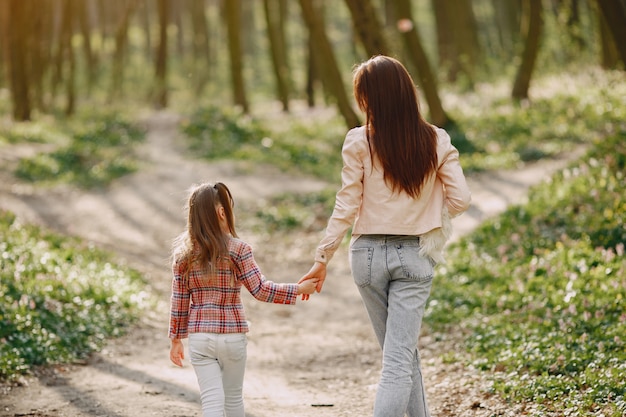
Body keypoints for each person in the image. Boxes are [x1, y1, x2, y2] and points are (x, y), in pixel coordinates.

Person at [299, 55, 471, 417]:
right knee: (398, 359)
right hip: (414, 256)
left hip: (367, 258)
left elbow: (346, 205)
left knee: (399, 355)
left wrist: (322, 258)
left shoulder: (359, 140)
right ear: (406, 92)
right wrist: (426, 213)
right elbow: (461, 199)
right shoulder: (436, 139)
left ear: (369, 99)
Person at [168, 181, 318, 417]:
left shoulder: (183, 255)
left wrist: (176, 338)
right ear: (221, 213)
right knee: (233, 398)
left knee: (211, 401)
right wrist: (298, 289)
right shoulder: (239, 249)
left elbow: (179, 300)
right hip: (232, 337)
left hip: (200, 336)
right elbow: (261, 290)